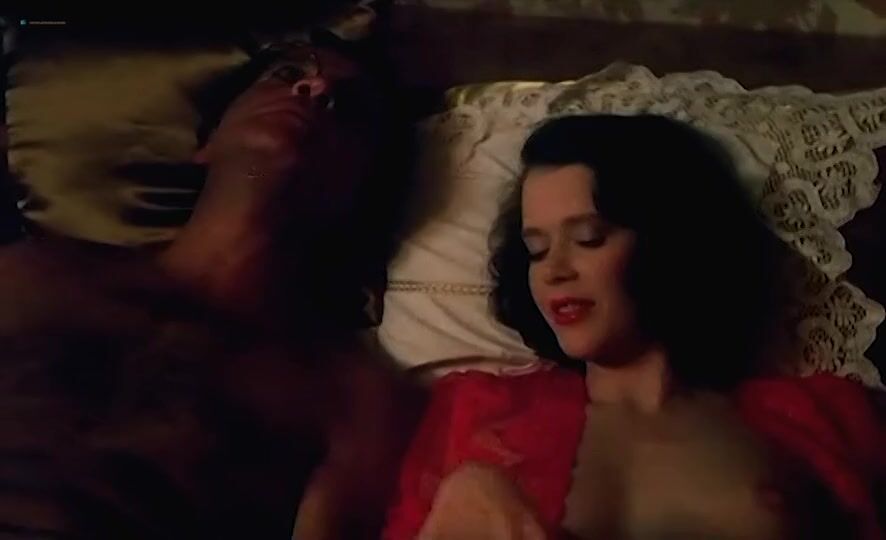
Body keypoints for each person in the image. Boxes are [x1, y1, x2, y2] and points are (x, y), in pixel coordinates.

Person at [383, 115, 885, 539]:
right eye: (536, 249)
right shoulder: (475, 412)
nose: (554, 270)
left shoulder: (819, 416)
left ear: (668, 243)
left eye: (589, 238)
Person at [0, 41, 422, 539]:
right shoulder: (32, 276)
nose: (316, 87)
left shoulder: (352, 400)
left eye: (350, 108)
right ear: (208, 142)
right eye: (286, 75)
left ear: (359, 188)